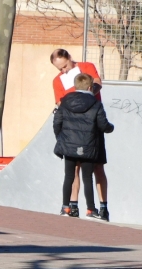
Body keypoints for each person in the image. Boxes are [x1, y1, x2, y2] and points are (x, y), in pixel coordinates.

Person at [50, 49, 110, 221]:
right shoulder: (58, 81)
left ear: (69, 58)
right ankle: (73, 205)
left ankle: (102, 207)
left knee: (97, 167)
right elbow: (60, 102)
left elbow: (97, 82)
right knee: (73, 168)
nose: (64, 71)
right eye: (59, 69)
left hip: (92, 125)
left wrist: (85, 96)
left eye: (65, 66)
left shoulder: (86, 66)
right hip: (73, 128)